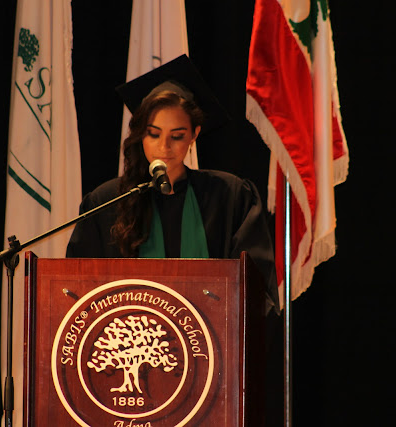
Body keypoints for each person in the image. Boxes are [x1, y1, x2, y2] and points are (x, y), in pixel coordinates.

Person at [66, 55, 279, 312]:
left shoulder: (230, 197)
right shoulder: (107, 202)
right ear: (140, 135)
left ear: (194, 134)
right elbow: (78, 289)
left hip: (212, 336)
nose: (164, 147)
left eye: (177, 136)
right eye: (153, 134)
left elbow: (256, 290)